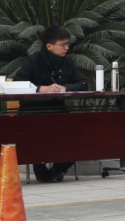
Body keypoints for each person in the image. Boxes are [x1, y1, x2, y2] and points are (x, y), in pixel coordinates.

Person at [13, 26, 87, 182]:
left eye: (67, 44)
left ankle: (56, 171)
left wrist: (65, 87)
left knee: (79, 135)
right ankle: (41, 170)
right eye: (63, 44)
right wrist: (41, 89)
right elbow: (17, 84)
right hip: (32, 112)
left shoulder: (67, 61)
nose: (67, 48)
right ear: (49, 46)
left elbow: (82, 83)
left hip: (58, 110)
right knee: (39, 136)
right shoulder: (32, 61)